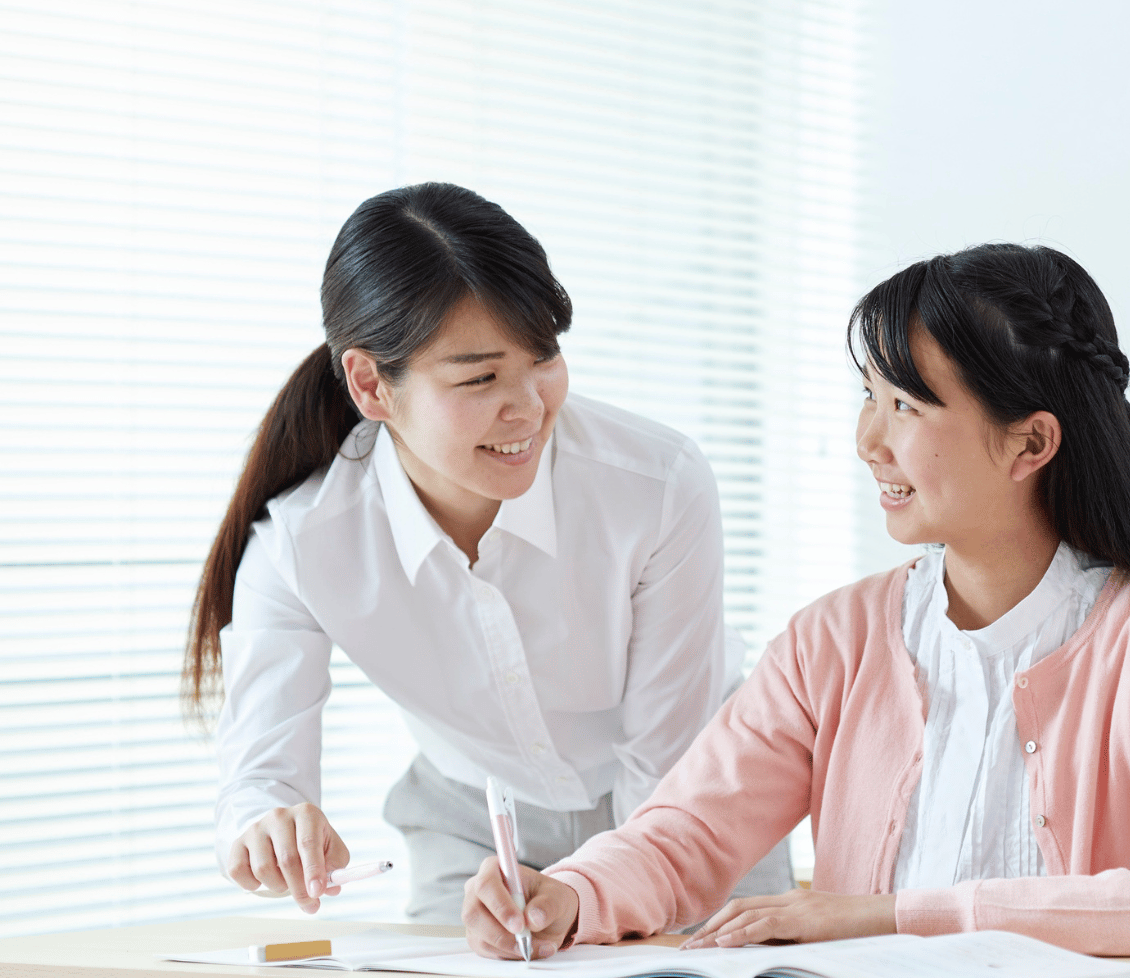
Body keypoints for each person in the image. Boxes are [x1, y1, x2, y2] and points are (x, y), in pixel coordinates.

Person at [461, 242, 1130, 958]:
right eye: (868, 395)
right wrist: (569, 894)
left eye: (905, 406)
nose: (867, 440)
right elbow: (689, 835)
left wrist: (885, 919)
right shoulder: (835, 640)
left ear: (1030, 442)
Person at [184, 182, 789, 922]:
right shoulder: (303, 545)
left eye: (543, 358)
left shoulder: (654, 484)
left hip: (688, 803)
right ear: (371, 384)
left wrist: (599, 899)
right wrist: (266, 828)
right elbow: (259, 779)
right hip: (474, 828)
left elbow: (662, 766)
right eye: (480, 378)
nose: (530, 406)